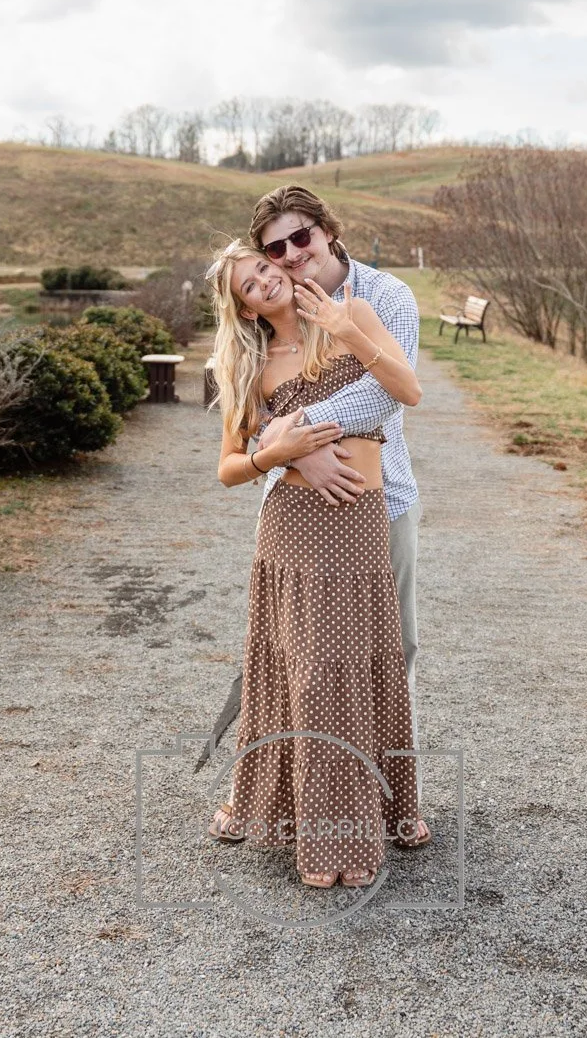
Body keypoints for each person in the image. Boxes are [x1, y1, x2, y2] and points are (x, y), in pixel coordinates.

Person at [205, 239, 429, 888]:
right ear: (244, 307)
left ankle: (378, 814)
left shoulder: (351, 315)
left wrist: (344, 328)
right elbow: (229, 467)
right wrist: (284, 452)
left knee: (361, 666)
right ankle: (317, 831)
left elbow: (405, 389)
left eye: (267, 269)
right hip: (294, 529)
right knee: (301, 674)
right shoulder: (249, 365)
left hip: (361, 521)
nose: (265, 283)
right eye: (249, 283)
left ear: (287, 268)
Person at [248, 185, 427, 814]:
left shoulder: (385, 297)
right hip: (298, 506)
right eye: (277, 246)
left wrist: (288, 432)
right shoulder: (272, 311)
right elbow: (251, 409)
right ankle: (311, 795)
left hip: (384, 498)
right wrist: (290, 450)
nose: (294, 253)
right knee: (309, 657)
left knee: (391, 644)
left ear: (327, 230)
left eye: (302, 236)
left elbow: (386, 395)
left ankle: (388, 792)